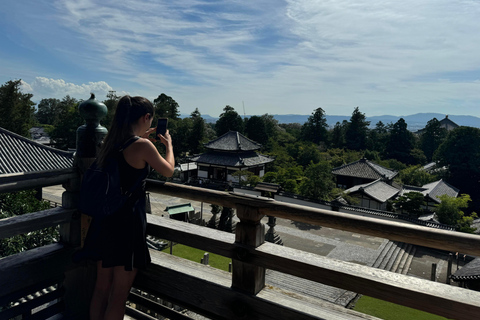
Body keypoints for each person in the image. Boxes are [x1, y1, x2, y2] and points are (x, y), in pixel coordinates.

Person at [77, 95, 174, 320]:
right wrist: (168, 145)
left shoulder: (110, 142)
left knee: (101, 288)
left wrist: (142, 138)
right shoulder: (142, 145)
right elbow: (168, 170)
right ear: (146, 117)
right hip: (127, 224)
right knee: (119, 295)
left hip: (105, 220)